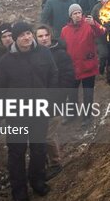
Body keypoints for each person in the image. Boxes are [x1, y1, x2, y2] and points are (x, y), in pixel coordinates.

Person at [0, 21, 57, 200]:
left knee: (38, 149)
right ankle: (19, 192)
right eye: (22, 35)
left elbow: (54, 74)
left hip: (39, 111)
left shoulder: (44, 53)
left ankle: (37, 182)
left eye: (29, 33)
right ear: (15, 39)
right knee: (16, 153)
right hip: (16, 115)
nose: (27, 37)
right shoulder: (5, 61)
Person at [34, 25, 75, 180]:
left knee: (48, 134)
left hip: (54, 101)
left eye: (46, 35)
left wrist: (57, 97)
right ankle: (43, 160)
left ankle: (55, 163)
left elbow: (68, 78)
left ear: (50, 36)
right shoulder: (34, 55)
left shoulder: (60, 54)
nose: (44, 38)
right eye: (40, 36)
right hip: (37, 101)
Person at [60, 4, 105, 126]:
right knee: (72, 93)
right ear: (70, 16)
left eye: (79, 12)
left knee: (88, 94)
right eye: (74, 13)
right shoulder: (64, 30)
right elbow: (63, 48)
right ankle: (72, 113)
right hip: (72, 67)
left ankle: (87, 117)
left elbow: (101, 33)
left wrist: (94, 24)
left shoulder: (89, 25)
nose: (78, 15)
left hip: (88, 65)